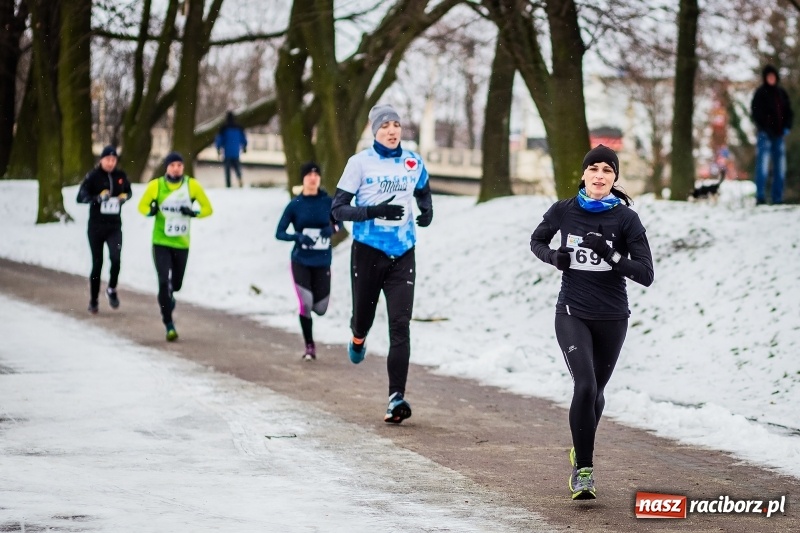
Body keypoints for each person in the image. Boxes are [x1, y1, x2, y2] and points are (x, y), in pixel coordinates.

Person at [529, 145, 654, 500]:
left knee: (597, 393)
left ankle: (579, 447)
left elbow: (646, 274)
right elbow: (537, 241)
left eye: (607, 170)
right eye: (594, 169)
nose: (600, 175)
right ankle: (584, 469)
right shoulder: (563, 211)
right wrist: (554, 257)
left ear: (615, 178)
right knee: (584, 386)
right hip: (572, 312)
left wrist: (611, 255)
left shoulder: (626, 219)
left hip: (612, 317)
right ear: (583, 174)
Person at [331, 104, 433, 424]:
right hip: (368, 251)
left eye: (396, 125)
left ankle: (396, 397)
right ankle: (357, 336)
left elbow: (423, 188)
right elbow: (338, 209)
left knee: (400, 325)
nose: (392, 130)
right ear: (374, 130)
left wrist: (426, 209)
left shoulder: (412, 160)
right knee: (364, 316)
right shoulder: (359, 163)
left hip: (403, 252)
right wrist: (374, 212)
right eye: (385, 125)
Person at [137, 152, 213, 341]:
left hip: (181, 243)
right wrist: (151, 211)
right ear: (166, 167)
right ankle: (168, 324)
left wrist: (193, 212)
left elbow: (208, 209)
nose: (176, 168)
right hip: (161, 241)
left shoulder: (191, 185)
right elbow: (142, 207)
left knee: (176, 285)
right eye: (172, 165)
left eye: (179, 165)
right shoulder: (157, 185)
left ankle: (169, 297)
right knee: (163, 281)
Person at [276, 161, 336, 361]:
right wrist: (298, 237)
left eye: (316, 175)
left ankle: (310, 339)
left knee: (320, 308)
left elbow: (340, 225)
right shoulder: (295, 205)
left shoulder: (328, 202)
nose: (313, 178)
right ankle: (309, 345)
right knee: (306, 304)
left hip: (322, 261)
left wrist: (332, 229)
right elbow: (280, 233)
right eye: (309, 175)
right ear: (302, 179)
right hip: (300, 261)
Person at [76, 145, 132, 314]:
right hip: (96, 227)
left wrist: (124, 197)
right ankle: (94, 300)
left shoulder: (120, 176)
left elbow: (129, 192)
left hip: (114, 226)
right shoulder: (93, 176)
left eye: (113, 160)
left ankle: (112, 289)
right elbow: (80, 197)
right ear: (101, 160)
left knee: (116, 258)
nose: (110, 163)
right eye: (107, 159)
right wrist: (97, 198)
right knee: (97, 263)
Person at [751, 64, 793, 205]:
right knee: (762, 167)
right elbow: (756, 113)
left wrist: (787, 126)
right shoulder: (760, 93)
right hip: (765, 135)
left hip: (779, 135)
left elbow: (788, 112)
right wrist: (764, 128)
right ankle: (760, 196)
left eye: (773, 76)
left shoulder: (781, 94)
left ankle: (777, 198)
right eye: (769, 76)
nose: (771, 79)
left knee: (780, 169)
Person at [214, 111, 248, 188]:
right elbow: (243, 139)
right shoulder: (239, 128)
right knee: (237, 168)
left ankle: (228, 185)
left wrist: (218, 148)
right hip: (236, 152)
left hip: (227, 152)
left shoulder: (224, 128)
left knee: (227, 170)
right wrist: (244, 147)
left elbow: (220, 139)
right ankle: (240, 179)